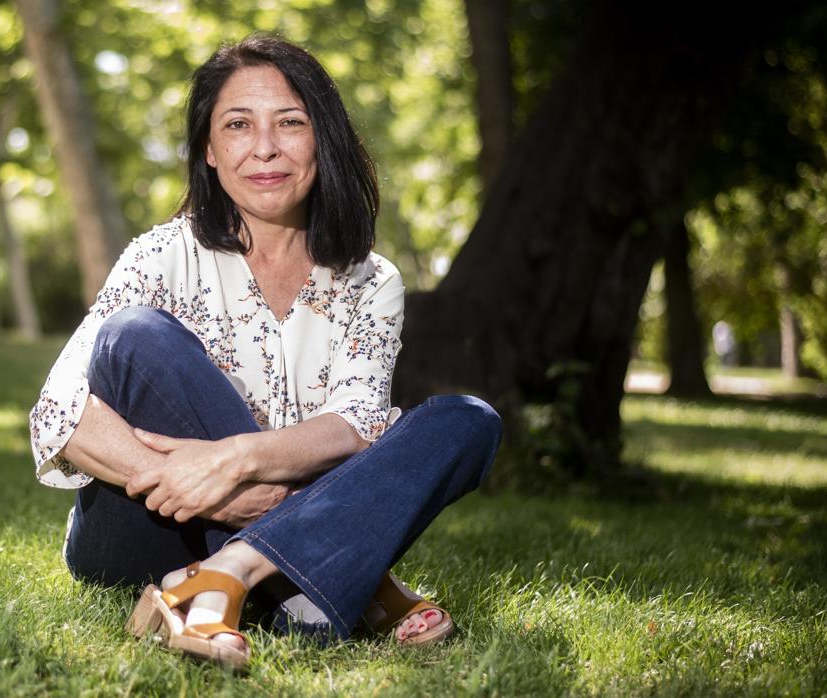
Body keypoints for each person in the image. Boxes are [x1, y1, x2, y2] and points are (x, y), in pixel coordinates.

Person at [29, 34, 501, 669]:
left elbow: (358, 422)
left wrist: (233, 460)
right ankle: (346, 584)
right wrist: (229, 495)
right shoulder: (161, 256)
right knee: (134, 334)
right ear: (209, 149)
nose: (265, 148)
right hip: (140, 536)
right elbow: (60, 415)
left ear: (321, 139)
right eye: (238, 125)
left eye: (290, 122)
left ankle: (231, 575)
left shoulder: (371, 282)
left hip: (267, 539)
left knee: (467, 422)